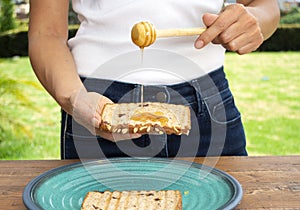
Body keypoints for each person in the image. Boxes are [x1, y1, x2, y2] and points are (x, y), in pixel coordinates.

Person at [28, 0, 280, 159]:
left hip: (208, 106)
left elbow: (265, 5)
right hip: (97, 103)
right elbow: (46, 33)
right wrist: (75, 97)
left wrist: (254, 20)